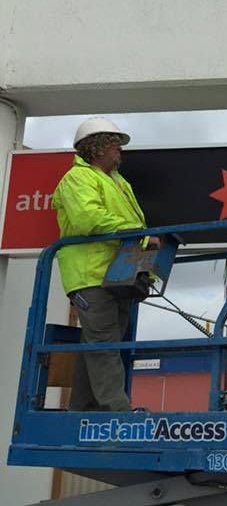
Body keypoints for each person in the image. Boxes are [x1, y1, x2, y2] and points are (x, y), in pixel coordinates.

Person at [52, 117, 159, 412]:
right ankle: (117, 410)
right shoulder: (77, 179)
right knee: (104, 343)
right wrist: (140, 237)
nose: (119, 151)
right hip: (92, 277)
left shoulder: (118, 182)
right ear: (97, 147)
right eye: (114, 144)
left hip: (119, 274)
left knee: (100, 343)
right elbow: (89, 219)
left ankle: (82, 410)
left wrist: (142, 245)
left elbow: (132, 225)